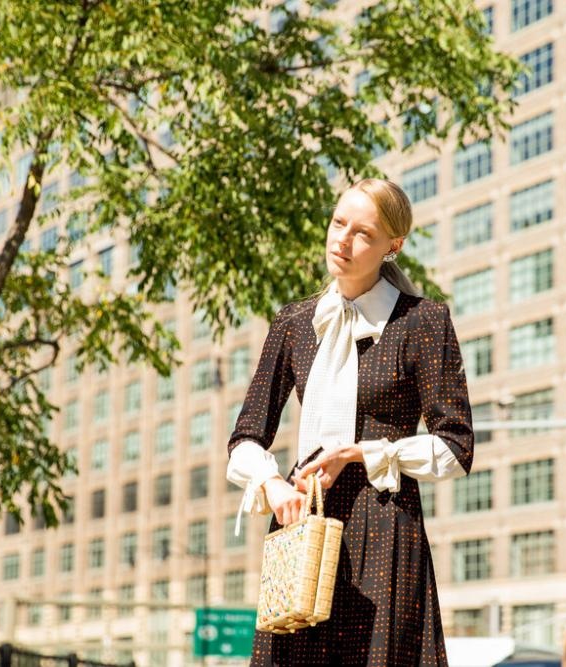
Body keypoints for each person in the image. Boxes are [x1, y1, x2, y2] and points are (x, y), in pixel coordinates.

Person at [226, 178, 474, 665]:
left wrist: (360, 453)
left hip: (383, 529)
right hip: (303, 526)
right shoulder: (295, 323)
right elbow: (245, 437)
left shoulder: (422, 322)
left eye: (363, 233)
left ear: (393, 246)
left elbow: (455, 446)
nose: (342, 240)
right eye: (339, 223)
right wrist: (272, 485)